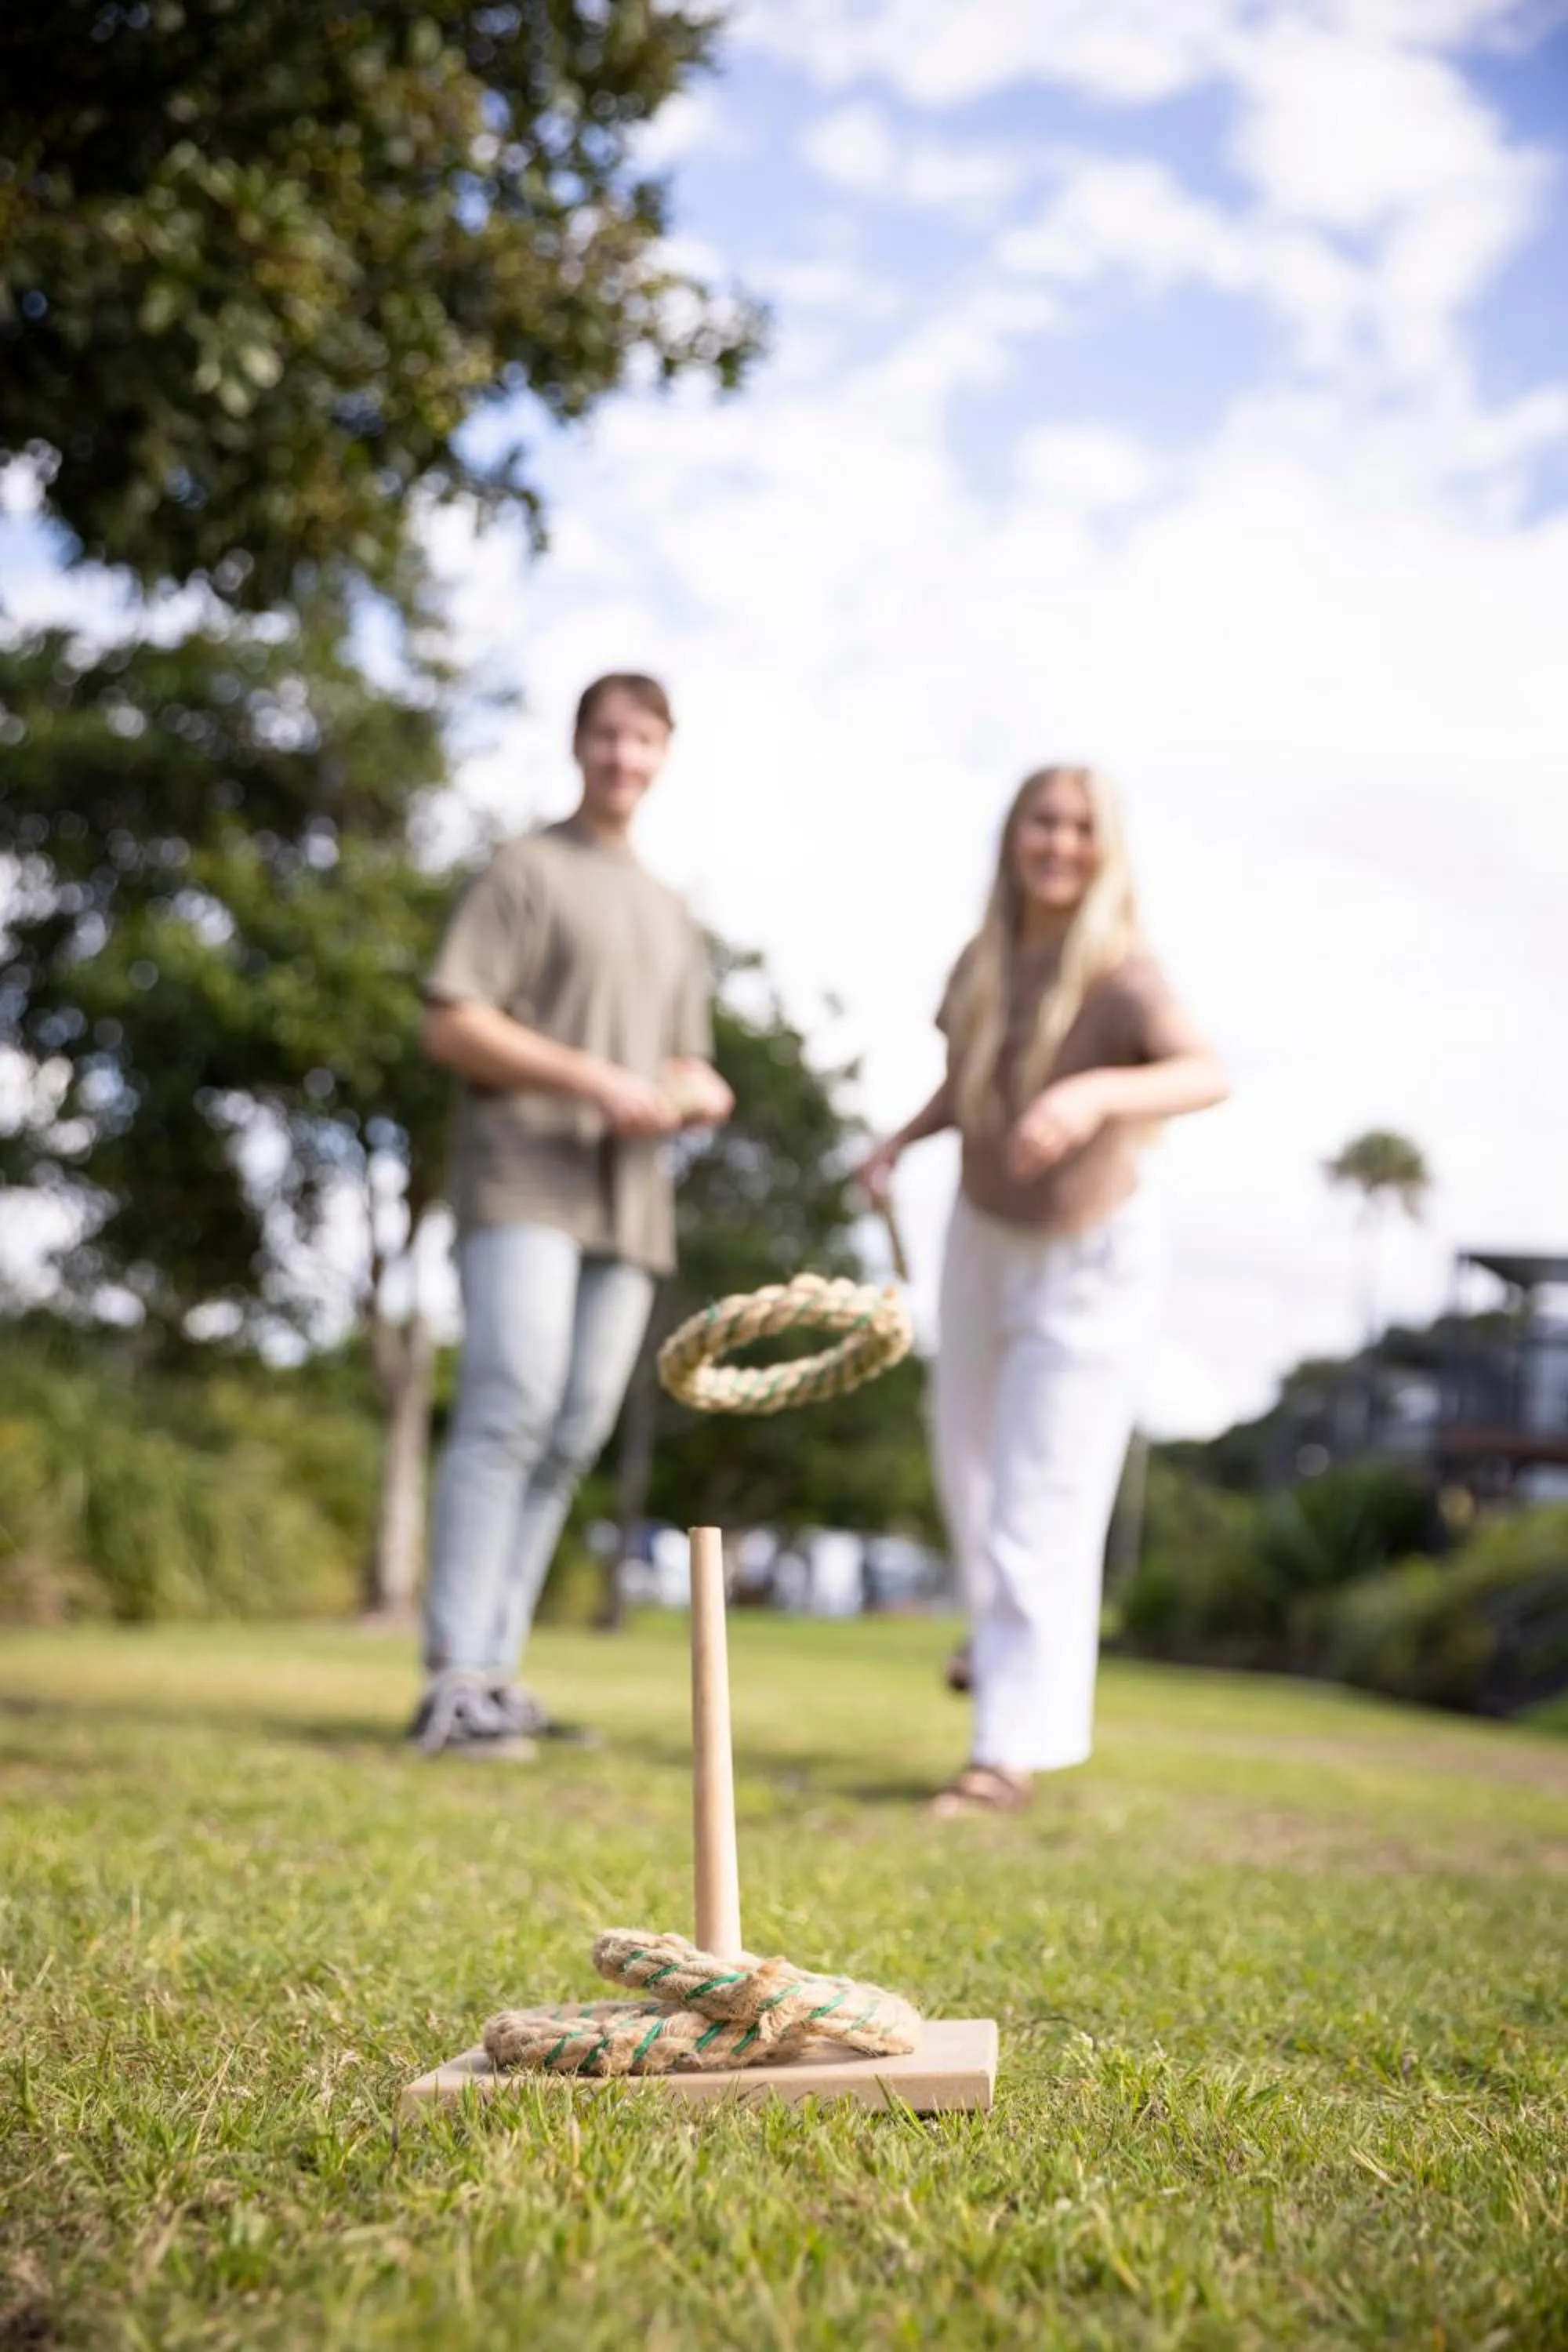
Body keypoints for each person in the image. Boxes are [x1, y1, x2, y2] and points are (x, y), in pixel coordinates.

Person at [857, 764, 1228, 1817]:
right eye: (1041, 824)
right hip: (981, 1237)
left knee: (1040, 1501)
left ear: (1103, 847)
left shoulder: (1123, 971)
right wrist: (903, 1140)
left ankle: (1002, 1754)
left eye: (1079, 827)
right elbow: (965, 1078)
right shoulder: (983, 960)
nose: (1059, 844)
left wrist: (1098, 1091)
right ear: (1013, 837)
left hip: (1092, 1252)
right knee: (969, 1482)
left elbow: (1205, 1072)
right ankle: (1005, 1652)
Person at [411, 673, 733, 1756]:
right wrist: (595, 1079)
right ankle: (452, 1676)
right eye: (606, 735)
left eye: (643, 740)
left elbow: (691, 1065)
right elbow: (453, 1023)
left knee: (572, 1432)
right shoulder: (525, 869)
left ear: (665, 754)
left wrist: (691, 1094)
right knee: (509, 1403)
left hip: (628, 1206)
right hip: (524, 1181)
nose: (623, 756)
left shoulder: (673, 910)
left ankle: (497, 1676)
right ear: (578, 744)